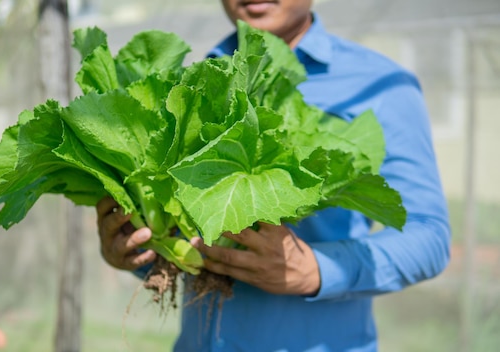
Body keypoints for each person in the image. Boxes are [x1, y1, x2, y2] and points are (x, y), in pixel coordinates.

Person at [95, 0, 451, 351]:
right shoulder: (194, 79)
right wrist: (140, 252)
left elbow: (429, 238)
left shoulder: (382, 84)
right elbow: (192, 245)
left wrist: (316, 270)